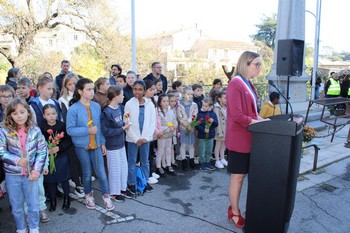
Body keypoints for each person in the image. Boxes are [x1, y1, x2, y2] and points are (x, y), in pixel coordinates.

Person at [226, 51, 265, 229]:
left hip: (251, 137)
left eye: (260, 64)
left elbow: (251, 113)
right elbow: (237, 116)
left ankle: (234, 207)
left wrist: (262, 120)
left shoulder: (248, 83)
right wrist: (257, 121)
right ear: (246, 64)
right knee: (238, 177)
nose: (260, 68)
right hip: (239, 139)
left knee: (243, 177)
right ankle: (234, 212)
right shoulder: (236, 83)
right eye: (257, 64)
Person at [66, 78, 114, 211]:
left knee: (101, 172)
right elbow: (70, 130)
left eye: (93, 89)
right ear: (80, 91)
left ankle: (106, 196)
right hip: (82, 146)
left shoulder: (96, 106)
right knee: (87, 173)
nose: (92, 92)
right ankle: (88, 195)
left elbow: (100, 127)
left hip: (97, 144)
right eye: (88, 89)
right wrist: (87, 130)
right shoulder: (73, 109)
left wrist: (102, 142)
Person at [0, 98, 47, 233]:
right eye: (15, 113)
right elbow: (1, 150)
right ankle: (21, 228)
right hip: (12, 175)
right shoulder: (4, 131)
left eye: (22, 112)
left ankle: (33, 227)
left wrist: (36, 171)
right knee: (16, 206)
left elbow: (42, 151)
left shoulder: (35, 130)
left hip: (31, 174)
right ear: (10, 115)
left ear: (28, 112)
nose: (19, 116)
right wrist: (16, 160)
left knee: (33, 204)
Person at [124, 80, 156, 195]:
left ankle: (145, 180)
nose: (137, 91)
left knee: (145, 161)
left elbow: (152, 122)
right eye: (135, 89)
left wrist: (145, 138)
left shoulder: (150, 104)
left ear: (144, 91)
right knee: (132, 161)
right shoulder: (129, 104)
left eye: (140, 89)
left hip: (145, 139)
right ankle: (131, 183)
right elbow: (126, 122)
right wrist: (136, 139)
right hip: (133, 139)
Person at [101, 85, 130, 202]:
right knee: (115, 169)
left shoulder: (120, 107)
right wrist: (122, 129)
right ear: (116, 97)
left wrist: (126, 125)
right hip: (112, 146)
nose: (123, 96)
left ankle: (122, 188)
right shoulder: (106, 113)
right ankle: (114, 192)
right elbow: (106, 131)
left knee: (123, 167)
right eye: (122, 94)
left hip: (121, 143)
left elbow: (123, 121)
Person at [40, 104, 71, 212]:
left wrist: (58, 147)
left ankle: (67, 198)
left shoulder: (62, 125)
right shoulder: (41, 127)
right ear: (44, 116)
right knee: (50, 180)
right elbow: (39, 142)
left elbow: (68, 140)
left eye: (53, 114)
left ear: (57, 114)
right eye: (48, 114)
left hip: (61, 156)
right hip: (48, 158)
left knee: (64, 178)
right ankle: (53, 200)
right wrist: (47, 149)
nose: (51, 116)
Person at [57, 73, 84, 198]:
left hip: (84, 133)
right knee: (74, 160)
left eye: (75, 83)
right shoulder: (63, 100)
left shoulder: (83, 97)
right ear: (66, 86)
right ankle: (78, 184)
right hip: (72, 134)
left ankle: (83, 181)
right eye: (70, 84)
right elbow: (65, 119)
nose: (73, 86)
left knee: (83, 159)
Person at [177, 86, 198, 171]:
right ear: (183, 95)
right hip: (183, 127)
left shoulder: (194, 105)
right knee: (183, 144)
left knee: (191, 144)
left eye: (191, 94)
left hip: (191, 127)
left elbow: (194, 115)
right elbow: (179, 117)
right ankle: (184, 160)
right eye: (188, 94)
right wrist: (186, 124)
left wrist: (190, 124)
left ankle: (192, 160)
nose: (190, 96)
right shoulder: (179, 105)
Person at [195, 97, 218, 171]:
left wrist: (213, 121)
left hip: (210, 135)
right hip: (202, 135)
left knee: (209, 149)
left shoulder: (213, 114)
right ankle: (202, 163)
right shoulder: (199, 114)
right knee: (202, 150)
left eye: (206, 106)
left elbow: (216, 124)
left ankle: (208, 161)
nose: (204, 107)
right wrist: (203, 129)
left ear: (210, 106)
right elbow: (197, 125)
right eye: (203, 105)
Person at [156, 94, 176, 176]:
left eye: (167, 101)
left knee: (168, 150)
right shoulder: (158, 112)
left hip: (169, 135)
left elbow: (174, 120)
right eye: (164, 101)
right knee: (160, 151)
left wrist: (174, 125)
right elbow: (159, 125)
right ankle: (158, 166)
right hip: (162, 135)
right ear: (160, 103)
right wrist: (169, 128)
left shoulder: (170, 110)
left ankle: (168, 165)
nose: (166, 103)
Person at [213, 91, 228, 169]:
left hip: (226, 129)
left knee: (223, 145)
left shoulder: (226, 107)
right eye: (225, 98)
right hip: (220, 130)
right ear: (219, 99)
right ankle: (217, 160)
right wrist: (219, 132)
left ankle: (222, 158)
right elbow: (217, 121)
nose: (226, 99)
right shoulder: (216, 108)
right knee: (218, 145)